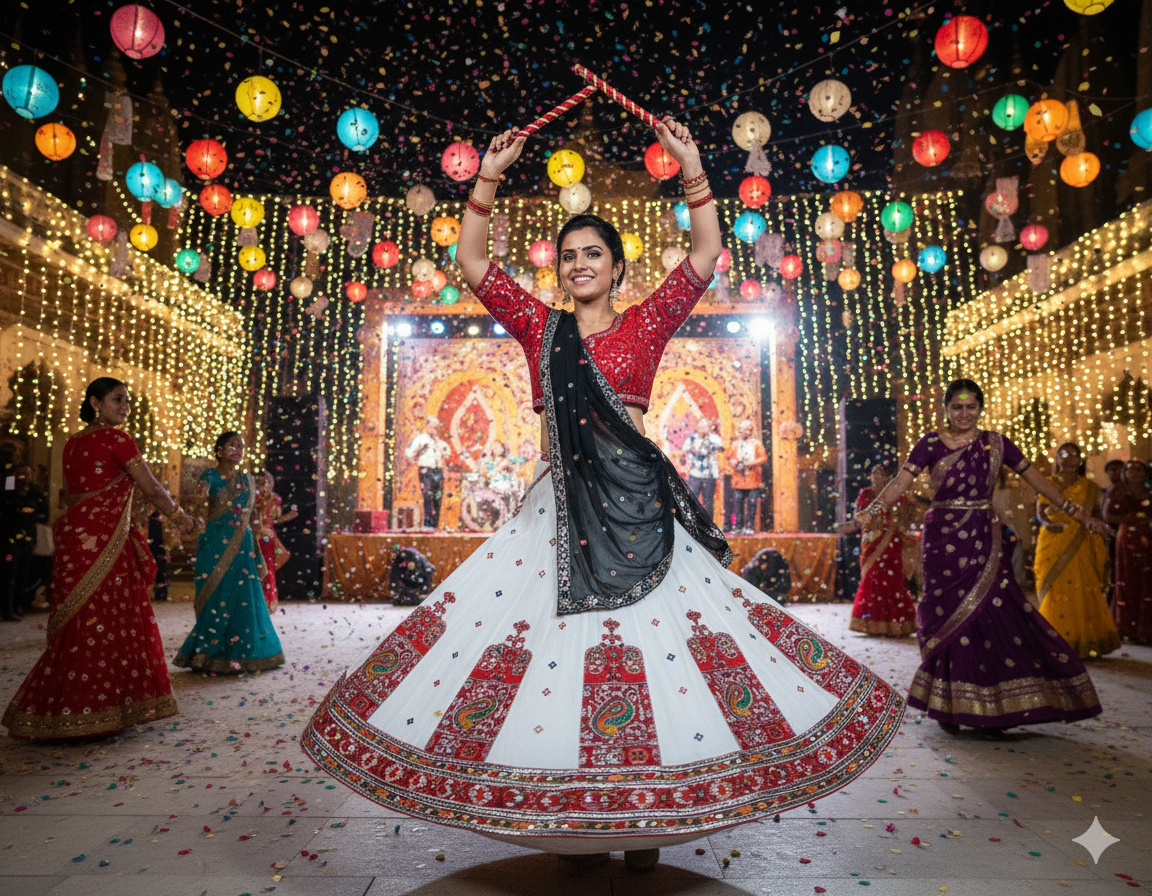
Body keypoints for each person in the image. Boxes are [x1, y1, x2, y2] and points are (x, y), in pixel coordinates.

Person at [303, 117, 903, 871]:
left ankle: (648, 816)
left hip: (638, 516)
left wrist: (691, 167)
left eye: (595, 255)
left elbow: (708, 254)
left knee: (657, 659)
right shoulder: (539, 328)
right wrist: (486, 177)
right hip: (554, 515)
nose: (580, 264)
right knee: (561, 661)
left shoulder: (646, 325)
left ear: (619, 270)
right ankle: (579, 817)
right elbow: (472, 260)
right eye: (569, 256)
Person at [846, 379, 1102, 735]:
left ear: (980, 408)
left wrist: (1078, 512)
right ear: (946, 409)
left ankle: (993, 704)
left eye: (971, 407)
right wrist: (870, 511)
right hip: (942, 539)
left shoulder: (996, 443)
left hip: (982, 535)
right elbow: (901, 484)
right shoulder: (930, 444)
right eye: (957, 407)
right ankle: (950, 703)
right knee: (943, 614)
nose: (964, 414)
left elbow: (1039, 481)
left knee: (991, 611)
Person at [2, 378, 194, 739]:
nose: (125, 407)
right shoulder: (117, 439)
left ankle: (65, 710)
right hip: (106, 544)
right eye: (117, 400)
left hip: (76, 542)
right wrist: (183, 519)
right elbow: (151, 487)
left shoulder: (71, 443)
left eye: (128, 401)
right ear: (95, 402)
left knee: (80, 622)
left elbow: (69, 495)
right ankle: (100, 707)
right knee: (106, 619)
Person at [174, 432, 285, 673]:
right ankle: (208, 652)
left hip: (242, 543)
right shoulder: (210, 475)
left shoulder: (247, 480)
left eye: (241, 446)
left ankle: (243, 652)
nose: (237, 450)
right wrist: (198, 496)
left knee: (243, 593)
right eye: (232, 446)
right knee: (215, 592)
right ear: (219, 451)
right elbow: (199, 505)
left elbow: (250, 514)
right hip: (215, 541)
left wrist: (258, 533)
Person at [1034, 443, 1119, 658]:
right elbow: (1040, 513)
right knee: (1055, 589)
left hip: (1082, 542)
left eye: (1074, 456)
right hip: (1054, 539)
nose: (1070, 460)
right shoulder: (1047, 484)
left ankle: (1085, 641)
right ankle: (1055, 642)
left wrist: (1100, 530)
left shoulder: (1090, 487)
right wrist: (1046, 524)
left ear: (1080, 461)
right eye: (1064, 455)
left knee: (1084, 587)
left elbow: (1096, 514)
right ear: (1057, 460)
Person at [843, 464, 917, 637]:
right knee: (872, 578)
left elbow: (906, 520)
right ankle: (869, 622)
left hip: (892, 540)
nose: (877, 478)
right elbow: (859, 517)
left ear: (889, 477)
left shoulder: (898, 495)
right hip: (872, 540)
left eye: (882, 475)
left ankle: (897, 623)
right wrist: (874, 524)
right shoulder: (866, 494)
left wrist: (911, 505)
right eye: (874, 475)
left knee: (893, 579)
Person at [1105, 458, 1152, 643]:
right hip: (1126, 539)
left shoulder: (1149, 493)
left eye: (1138, 470)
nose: (1134, 473)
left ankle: (1145, 630)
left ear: (1145, 473)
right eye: (1130, 469)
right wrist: (1127, 518)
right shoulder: (1116, 492)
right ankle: (1125, 627)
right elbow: (1107, 515)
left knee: (1146, 581)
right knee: (1125, 578)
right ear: (1125, 473)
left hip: (1147, 539)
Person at [0, 464, 39, 620]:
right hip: (9, 538)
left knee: (23, 572)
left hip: (27, 538)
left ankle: (18, 605)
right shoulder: (8, 489)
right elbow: (8, 507)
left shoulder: (33, 492)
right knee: (9, 572)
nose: (24, 478)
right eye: (20, 474)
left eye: (27, 474)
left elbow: (38, 509)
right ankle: (7, 608)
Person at [254, 471, 297, 612]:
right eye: (261, 482)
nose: (265, 485)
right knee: (255, 567)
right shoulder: (253, 498)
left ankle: (268, 601)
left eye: (267, 482)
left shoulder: (274, 499)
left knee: (267, 568)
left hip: (267, 536)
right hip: (255, 534)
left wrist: (289, 516)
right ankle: (254, 601)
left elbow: (275, 519)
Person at [405, 416, 452, 529]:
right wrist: (418, 451)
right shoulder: (420, 439)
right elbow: (409, 452)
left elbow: (447, 453)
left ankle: (435, 524)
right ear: (427, 426)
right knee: (428, 496)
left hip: (438, 470)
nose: (435, 430)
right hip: (426, 470)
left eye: (436, 427)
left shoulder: (439, 442)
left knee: (438, 497)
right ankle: (428, 524)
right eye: (433, 427)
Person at [726, 419, 767, 533]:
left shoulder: (757, 444)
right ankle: (738, 526)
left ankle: (749, 526)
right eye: (743, 430)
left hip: (752, 478)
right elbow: (729, 458)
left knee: (752, 503)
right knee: (737, 503)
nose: (745, 432)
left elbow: (763, 458)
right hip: (738, 479)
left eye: (748, 430)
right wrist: (734, 462)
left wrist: (752, 463)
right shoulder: (735, 445)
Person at [682, 417, 723, 523]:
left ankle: (708, 525)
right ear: (697, 428)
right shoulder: (692, 439)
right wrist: (690, 456)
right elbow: (685, 451)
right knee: (692, 499)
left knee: (708, 501)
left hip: (709, 475)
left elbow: (720, 447)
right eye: (701, 427)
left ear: (709, 428)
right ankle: (692, 523)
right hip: (694, 474)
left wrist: (706, 447)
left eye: (705, 427)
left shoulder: (714, 438)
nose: (703, 429)